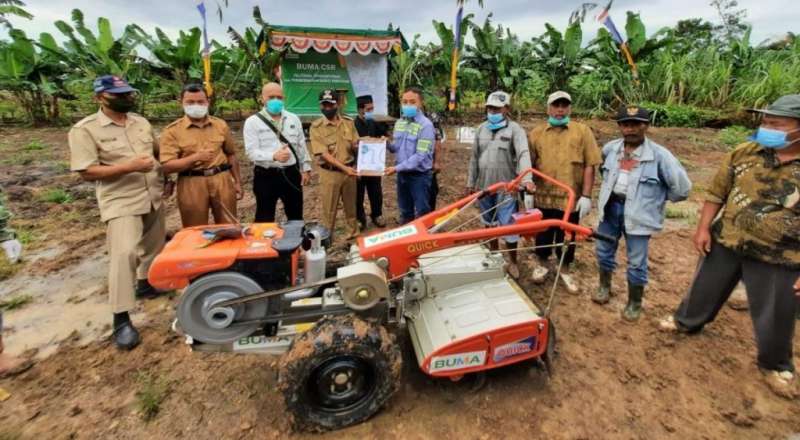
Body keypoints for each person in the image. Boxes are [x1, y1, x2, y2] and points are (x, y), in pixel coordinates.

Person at [659, 94, 800, 399]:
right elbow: (716, 192)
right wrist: (703, 228)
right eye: (765, 121)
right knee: (703, 289)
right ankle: (687, 322)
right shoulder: (744, 152)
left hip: (780, 255)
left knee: (777, 313)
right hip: (728, 239)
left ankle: (775, 364)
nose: (767, 127)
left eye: (776, 123)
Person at [68, 75, 168, 350]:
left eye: (128, 93)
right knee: (123, 254)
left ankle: (145, 284)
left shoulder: (141, 122)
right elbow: (86, 171)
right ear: (100, 97)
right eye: (118, 95)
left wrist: (165, 180)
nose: (126, 98)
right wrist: (130, 166)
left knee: (153, 243)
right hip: (121, 198)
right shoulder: (85, 130)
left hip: (152, 193)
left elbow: (157, 154)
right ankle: (121, 319)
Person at [593, 105, 691, 321]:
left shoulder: (660, 156)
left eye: (636, 124)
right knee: (603, 251)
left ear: (645, 126)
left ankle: (634, 302)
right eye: (626, 124)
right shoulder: (611, 149)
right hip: (611, 208)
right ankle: (604, 286)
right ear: (620, 126)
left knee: (637, 260)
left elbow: (682, 189)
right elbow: (603, 172)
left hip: (638, 214)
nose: (631, 129)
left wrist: (655, 200)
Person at [527, 91, 601, 293]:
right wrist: (528, 190)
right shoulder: (536, 133)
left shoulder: (582, 131)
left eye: (564, 105)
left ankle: (565, 268)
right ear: (548, 108)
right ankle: (542, 264)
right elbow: (530, 165)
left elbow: (589, 165)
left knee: (567, 236)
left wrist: (586, 196)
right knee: (542, 233)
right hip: (543, 195)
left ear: (569, 108)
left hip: (570, 198)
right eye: (556, 105)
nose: (560, 109)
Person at [466, 91, 535, 279]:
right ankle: (494, 255)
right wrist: (470, 182)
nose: (492, 111)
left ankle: (513, 261)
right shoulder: (481, 129)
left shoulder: (515, 130)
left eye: (496, 108)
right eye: (490, 108)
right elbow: (474, 158)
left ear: (506, 109)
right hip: (484, 186)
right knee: (489, 225)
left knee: (508, 226)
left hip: (507, 188)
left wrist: (527, 179)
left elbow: (523, 154)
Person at [160, 84, 242, 227]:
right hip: (191, 182)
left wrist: (237, 182)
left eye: (200, 101)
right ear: (182, 103)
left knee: (229, 226)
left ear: (207, 102)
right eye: (190, 102)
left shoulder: (220, 125)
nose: (196, 105)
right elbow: (167, 166)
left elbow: (231, 154)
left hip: (221, 178)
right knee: (195, 229)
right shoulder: (172, 131)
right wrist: (194, 158)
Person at [244, 82, 312, 222]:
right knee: (264, 216)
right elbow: (251, 152)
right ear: (262, 98)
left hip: (291, 173)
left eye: (279, 97)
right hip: (266, 175)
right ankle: (264, 243)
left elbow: (301, 146)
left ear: (284, 98)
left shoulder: (293, 118)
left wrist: (306, 168)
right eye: (271, 97)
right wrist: (273, 156)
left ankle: (295, 241)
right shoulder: (252, 122)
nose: (276, 100)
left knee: (295, 214)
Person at [309, 89, 360, 240]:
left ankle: (352, 237)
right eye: (324, 105)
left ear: (337, 104)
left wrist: (361, 148)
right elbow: (323, 154)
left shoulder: (348, 123)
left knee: (351, 208)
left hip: (349, 171)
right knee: (329, 210)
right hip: (330, 174)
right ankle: (326, 239)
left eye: (330, 104)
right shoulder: (316, 127)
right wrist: (346, 169)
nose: (327, 108)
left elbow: (355, 144)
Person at [386, 87, 436, 224]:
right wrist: (385, 144)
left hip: (419, 176)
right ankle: (407, 237)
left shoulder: (426, 125)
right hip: (402, 175)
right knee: (405, 210)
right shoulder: (399, 123)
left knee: (422, 211)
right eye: (405, 102)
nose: (408, 105)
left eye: (412, 102)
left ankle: (424, 240)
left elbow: (420, 156)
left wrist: (396, 168)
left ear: (420, 103)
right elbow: (396, 147)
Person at [354, 95, 387, 229]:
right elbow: (350, 144)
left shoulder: (373, 123)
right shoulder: (352, 125)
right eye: (369, 109)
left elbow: (383, 136)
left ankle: (376, 215)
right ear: (360, 109)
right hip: (359, 166)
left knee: (376, 192)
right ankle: (360, 219)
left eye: (372, 108)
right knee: (358, 194)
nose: (371, 111)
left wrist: (384, 138)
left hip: (373, 165)